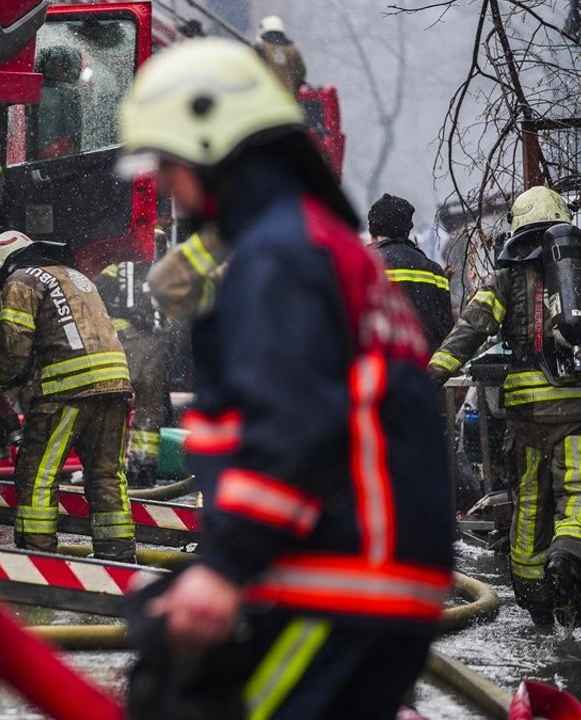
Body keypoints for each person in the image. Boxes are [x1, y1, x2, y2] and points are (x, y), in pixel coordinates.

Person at [118, 39, 453, 718]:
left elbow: (290, 424)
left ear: (215, 149)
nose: (169, 186)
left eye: (171, 164)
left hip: (339, 580)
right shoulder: (320, 244)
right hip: (379, 577)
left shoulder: (280, 256)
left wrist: (224, 568)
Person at [428, 185, 581, 627]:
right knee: (576, 490)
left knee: (529, 502)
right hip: (574, 407)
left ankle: (537, 602)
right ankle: (567, 556)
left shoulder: (505, 278)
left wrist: (426, 379)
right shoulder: (576, 271)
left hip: (526, 413)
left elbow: (469, 332)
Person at [0, 229, 137, 562]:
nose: (2, 283)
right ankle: (119, 555)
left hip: (67, 389)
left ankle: (37, 555)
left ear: (4, 261)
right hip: (115, 385)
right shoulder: (74, 276)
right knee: (106, 475)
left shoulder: (21, 280)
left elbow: (15, 346)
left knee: (37, 473)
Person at [93, 260, 176, 484]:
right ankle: (143, 469)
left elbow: (97, 304)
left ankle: (109, 470)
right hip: (155, 349)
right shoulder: (167, 269)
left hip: (121, 347)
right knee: (149, 412)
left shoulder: (114, 268)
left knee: (113, 408)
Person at [367, 193, 455, 354]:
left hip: (376, 364)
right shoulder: (433, 270)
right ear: (407, 229)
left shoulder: (365, 264)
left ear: (373, 230)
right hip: (424, 365)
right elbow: (446, 331)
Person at [253, 15, 306, 96]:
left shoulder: (260, 48)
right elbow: (301, 73)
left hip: (266, 96)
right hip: (288, 98)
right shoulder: (293, 50)